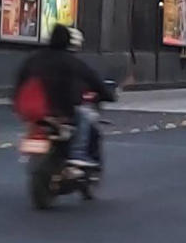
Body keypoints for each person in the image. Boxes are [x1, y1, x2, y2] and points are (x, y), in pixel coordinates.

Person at [13, 24, 114, 167]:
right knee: (85, 117)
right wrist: (108, 95)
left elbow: (20, 81)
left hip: (33, 110)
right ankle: (78, 154)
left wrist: (15, 102)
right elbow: (93, 80)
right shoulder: (71, 61)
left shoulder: (33, 59)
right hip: (62, 110)